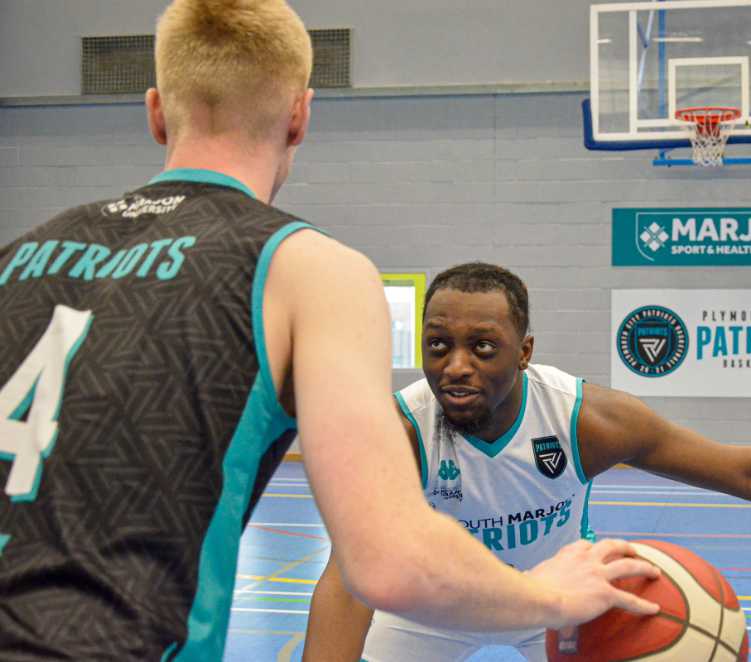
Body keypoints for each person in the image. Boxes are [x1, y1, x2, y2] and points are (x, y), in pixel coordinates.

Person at [0, 4, 661, 660]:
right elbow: (386, 560)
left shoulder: (19, 256)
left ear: (153, 112)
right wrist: (548, 595)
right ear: (299, 115)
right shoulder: (304, 268)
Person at [303, 261, 751, 662]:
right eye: (437, 345)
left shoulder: (586, 421)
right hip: (437, 605)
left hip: (560, 599)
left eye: (482, 347)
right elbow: (346, 579)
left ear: (523, 350)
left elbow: (746, 472)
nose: (455, 366)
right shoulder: (397, 428)